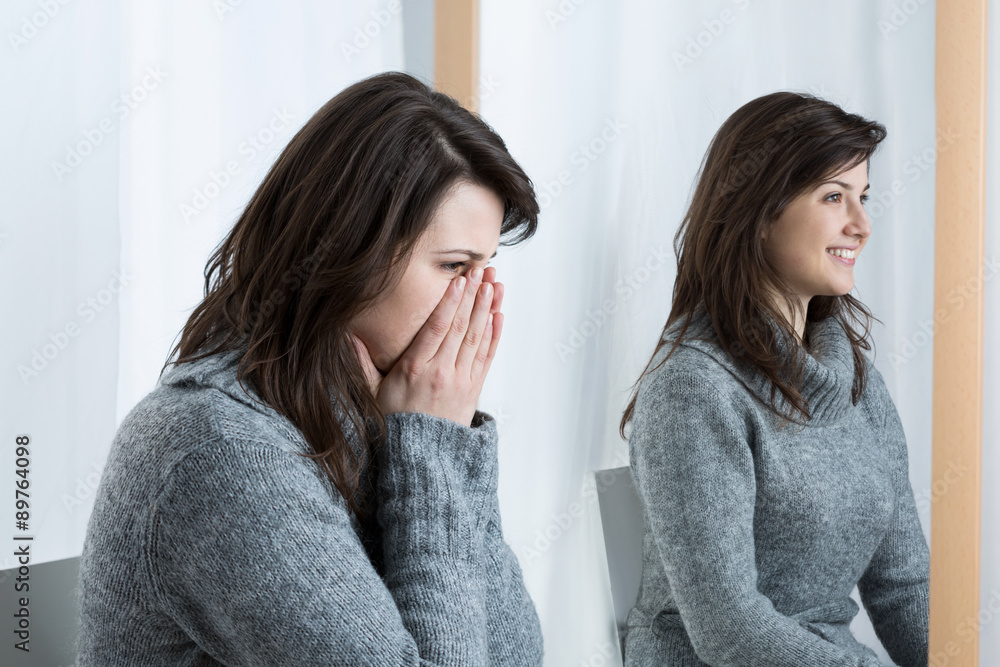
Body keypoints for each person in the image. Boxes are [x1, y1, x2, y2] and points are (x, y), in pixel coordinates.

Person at [77, 71, 544, 666]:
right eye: (455, 266)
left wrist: (437, 445)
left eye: (485, 267)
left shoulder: (385, 410)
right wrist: (433, 453)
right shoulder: (218, 450)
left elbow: (517, 655)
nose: (477, 298)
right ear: (350, 250)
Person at [619, 92, 929, 666]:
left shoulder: (859, 383)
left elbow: (903, 584)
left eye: (863, 198)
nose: (861, 224)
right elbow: (729, 630)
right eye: (834, 197)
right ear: (760, 213)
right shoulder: (693, 389)